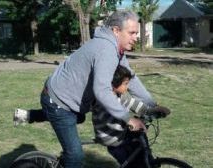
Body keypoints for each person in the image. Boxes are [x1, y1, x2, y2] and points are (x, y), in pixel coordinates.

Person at [17, 11, 157, 168]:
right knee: (75, 156)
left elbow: (130, 79)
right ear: (116, 31)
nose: (136, 37)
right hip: (58, 101)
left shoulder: (116, 49)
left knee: (80, 118)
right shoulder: (106, 50)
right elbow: (102, 90)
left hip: (71, 102)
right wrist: (128, 118)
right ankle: (39, 117)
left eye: (137, 33)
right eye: (132, 33)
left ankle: (31, 115)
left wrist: (151, 105)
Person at [92, 65, 170, 166]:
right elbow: (111, 122)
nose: (127, 87)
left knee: (142, 150)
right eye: (125, 84)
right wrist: (129, 123)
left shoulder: (121, 95)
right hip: (112, 139)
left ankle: (148, 162)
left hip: (122, 134)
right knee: (132, 164)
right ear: (113, 84)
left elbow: (134, 104)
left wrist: (154, 110)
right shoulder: (104, 101)